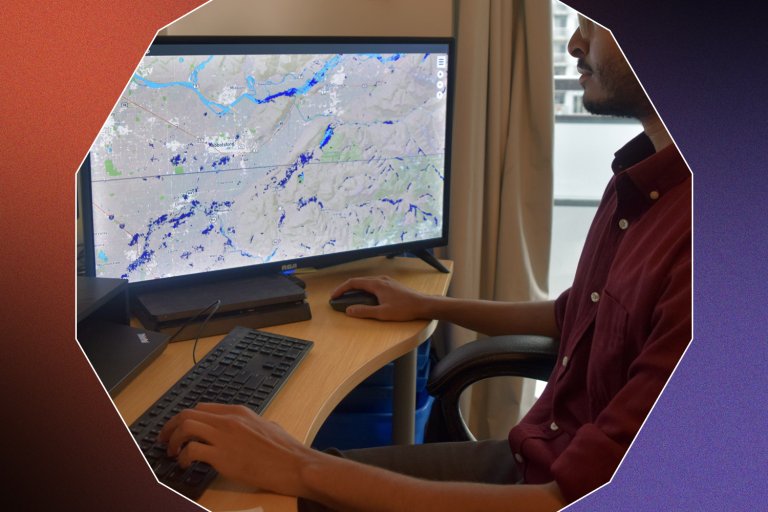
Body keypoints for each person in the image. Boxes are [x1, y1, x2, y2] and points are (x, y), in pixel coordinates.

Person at [159, 16, 691, 511]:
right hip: (536, 454)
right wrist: (425, 303)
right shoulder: (642, 180)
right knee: (253, 483)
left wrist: (297, 464)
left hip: (542, 490)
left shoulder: (708, 247)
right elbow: (573, 314)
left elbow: (562, 501)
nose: (575, 44)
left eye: (592, 25)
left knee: (254, 495)